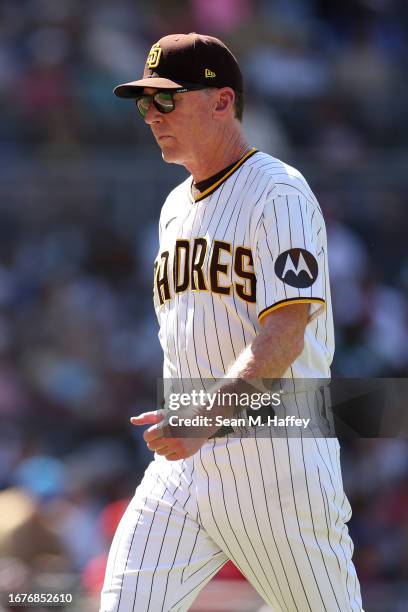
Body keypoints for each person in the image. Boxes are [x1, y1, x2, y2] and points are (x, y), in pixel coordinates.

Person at [100, 33, 363, 611]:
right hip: (183, 473)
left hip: (276, 465)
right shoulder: (173, 208)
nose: (150, 115)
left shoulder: (279, 192)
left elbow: (284, 336)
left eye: (165, 99)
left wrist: (203, 417)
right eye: (144, 103)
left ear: (222, 101)